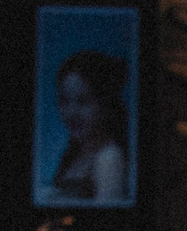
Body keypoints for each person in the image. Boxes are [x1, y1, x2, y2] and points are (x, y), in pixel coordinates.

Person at [49, 50, 131, 204]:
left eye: (83, 101)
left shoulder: (109, 159)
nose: (71, 113)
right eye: (64, 101)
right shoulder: (74, 157)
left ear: (105, 103)